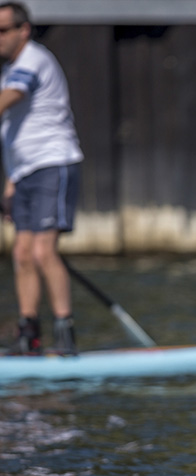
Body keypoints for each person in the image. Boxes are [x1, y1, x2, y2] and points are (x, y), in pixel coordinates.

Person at [0, 1, 83, 355]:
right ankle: (28, 334)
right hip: (25, 172)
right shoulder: (9, 69)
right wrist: (11, 181)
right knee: (21, 253)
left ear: (24, 31)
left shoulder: (34, 60)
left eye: (2, 31)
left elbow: (12, 98)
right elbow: (14, 132)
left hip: (54, 164)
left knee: (41, 250)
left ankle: (64, 332)